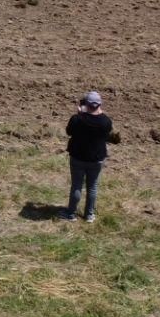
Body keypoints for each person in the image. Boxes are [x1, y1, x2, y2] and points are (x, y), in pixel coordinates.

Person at [61, 91, 119, 223]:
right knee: (92, 187)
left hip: (78, 157)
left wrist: (79, 114)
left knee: (76, 186)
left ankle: (71, 214)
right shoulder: (106, 122)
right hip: (97, 159)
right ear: (99, 104)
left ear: (86, 104)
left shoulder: (77, 119)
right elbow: (107, 134)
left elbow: (69, 131)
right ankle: (89, 215)